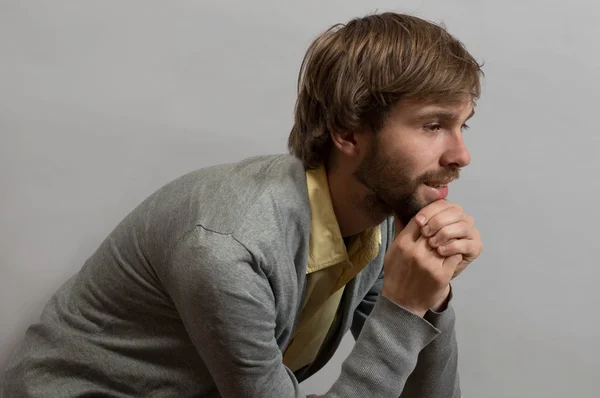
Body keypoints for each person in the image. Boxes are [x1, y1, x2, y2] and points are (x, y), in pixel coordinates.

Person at [2, 11, 484, 398]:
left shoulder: (374, 224)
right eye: (432, 125)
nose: (460, 155)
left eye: (463, 126)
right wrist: (403, 309)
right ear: (348, 132)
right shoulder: (229, 249)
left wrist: (432, 298)